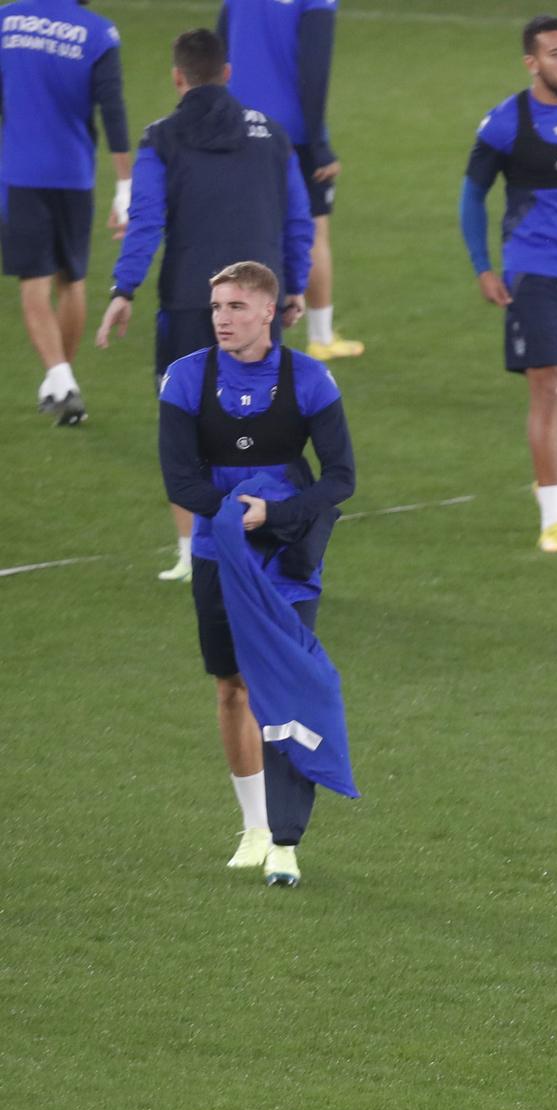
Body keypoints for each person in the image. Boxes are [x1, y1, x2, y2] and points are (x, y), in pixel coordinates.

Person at [157, 260, 356, 886]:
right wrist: (233, 517)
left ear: (269, 312)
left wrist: (273, 515)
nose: (223, 318)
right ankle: (255, 828)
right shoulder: (185, 379)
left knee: (287, 687)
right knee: (232, 687)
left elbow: (340, 478)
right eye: (217, 307)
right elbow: (180, 480)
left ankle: (288, 842)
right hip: (221, 553)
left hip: (288, 556)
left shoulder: (310, 379)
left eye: (237, 307)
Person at [97, 27, 313, 584]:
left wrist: (124, 290)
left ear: (177, 77)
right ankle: (268, 545)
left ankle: (194, 553)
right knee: (263, 426)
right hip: (260, 301)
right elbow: (296, 216)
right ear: (228, 72)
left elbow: (146, 220)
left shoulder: (161, 139)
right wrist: (293, 287)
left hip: (193, 302)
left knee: (185, 426)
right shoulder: (273, 136)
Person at [461, 13, 557, 553]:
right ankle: (553, 517)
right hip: (533, 274)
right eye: (556, 53)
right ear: (532, 62)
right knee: (551, 385)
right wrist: (483, 265)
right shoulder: (506, 124)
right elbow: (471, 195)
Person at [0, 0, 130, 424]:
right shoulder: (98, 33)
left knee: (34, 280)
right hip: (74, 174)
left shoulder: (7, 20)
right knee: (71, 279)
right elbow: (113, 110)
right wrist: (125, 186)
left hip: (20, 172)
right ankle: (61, 383)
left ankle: (62, 379)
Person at [216, 0, 360, 359]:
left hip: (237, 125)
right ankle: (321, 337)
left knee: (242, 225)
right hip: (292, 131)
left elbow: (219, 46)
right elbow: (315, 65)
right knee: (313, 228)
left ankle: (229, 324)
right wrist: (319, 142)